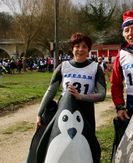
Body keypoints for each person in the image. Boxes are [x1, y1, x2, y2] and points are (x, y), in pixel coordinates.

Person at [34, 32, 106, 162]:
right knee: (60, 144)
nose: (80, 49)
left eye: (84, 46)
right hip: (64, 110)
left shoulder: (96, 68)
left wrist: (81, 97)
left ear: (89, 49)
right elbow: (51, 91)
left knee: (85, 145)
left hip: (85, 111)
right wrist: (39, 113)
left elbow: (102, 95)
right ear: (72, 49)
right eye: (77, 46)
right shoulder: (63, 67)